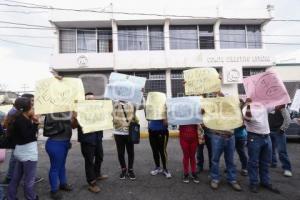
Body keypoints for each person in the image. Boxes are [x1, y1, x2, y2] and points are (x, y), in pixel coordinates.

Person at [2, 94, 43, 185]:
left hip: (21, 142)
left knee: (18, 161)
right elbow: (26, 133)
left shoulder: (23, 112)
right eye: (31, 101)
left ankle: (14, 178)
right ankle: (10, 178)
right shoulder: (17, 114)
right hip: (19, 143)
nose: (33, 103)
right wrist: (35, 123)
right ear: (25, 102)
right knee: (16, 160)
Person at [243, 98, 280, 194]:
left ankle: (265, 182)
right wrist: (247, 105)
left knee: (266, 162)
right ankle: (254, 183)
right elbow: (247, 118)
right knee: (253, 162)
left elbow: (276, 107)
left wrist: (281, 98)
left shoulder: (263, 105)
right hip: (254, 137)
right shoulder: (246, 107)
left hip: (266, 137)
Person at [206, 92, 241, 191]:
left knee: (230, 160)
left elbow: (236, 105)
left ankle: (232, 179)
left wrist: (222, 95)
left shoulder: (232, 109)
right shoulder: (214, 109)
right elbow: (206, 116)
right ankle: (215, 179)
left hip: (230, 137)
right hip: (217, 136)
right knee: (215, 159)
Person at [75, 92, 108, 193]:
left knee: (100, 157)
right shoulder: (79, 110)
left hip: (98, 138)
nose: (91, 101)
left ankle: (97, 174)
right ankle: (92, 183)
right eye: (88, 99)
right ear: (84, 101)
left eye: (93, 99)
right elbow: (74, 124)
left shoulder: (98, 109)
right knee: (89, 161)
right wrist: (76, 116)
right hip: (87, 140)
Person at [7, 97, 39, 200]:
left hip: (20, 152)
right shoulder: (21, 120)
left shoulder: (18, 118)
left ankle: (11, 197)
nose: (33, 109)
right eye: (32, 106)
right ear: (28, 108)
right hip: (28, 154)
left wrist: (33, 122)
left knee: (16, 177)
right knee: (29, 179)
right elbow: (28, 136)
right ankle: (31, 197)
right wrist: (36, 124)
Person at [44, 112, 74, 200]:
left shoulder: (66, 112)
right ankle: (54, 190)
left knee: (61, 165)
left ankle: (63, 183)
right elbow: (57, 124)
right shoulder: (52, 113)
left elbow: (69, 125)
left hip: (64, 142)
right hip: (56, 143)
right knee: (55, 167)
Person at [112, 100, 141, 180]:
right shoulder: (115, 103)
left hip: (129, 132)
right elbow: (113, 116)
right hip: (118, 132)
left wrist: (141, 95)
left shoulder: (132, 103)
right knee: (120, 152)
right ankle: (123, 169)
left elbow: (139, 109)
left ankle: (130, 169)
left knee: (130, 152)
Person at [268, 104, 292, 177]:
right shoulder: (268, 107)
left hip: (279, 132)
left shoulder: (282, 108)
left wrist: (282, 129)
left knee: (282, 151)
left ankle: (287, 168)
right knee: (271, 149)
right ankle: (273, 163)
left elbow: (288, 119)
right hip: (269, 131)